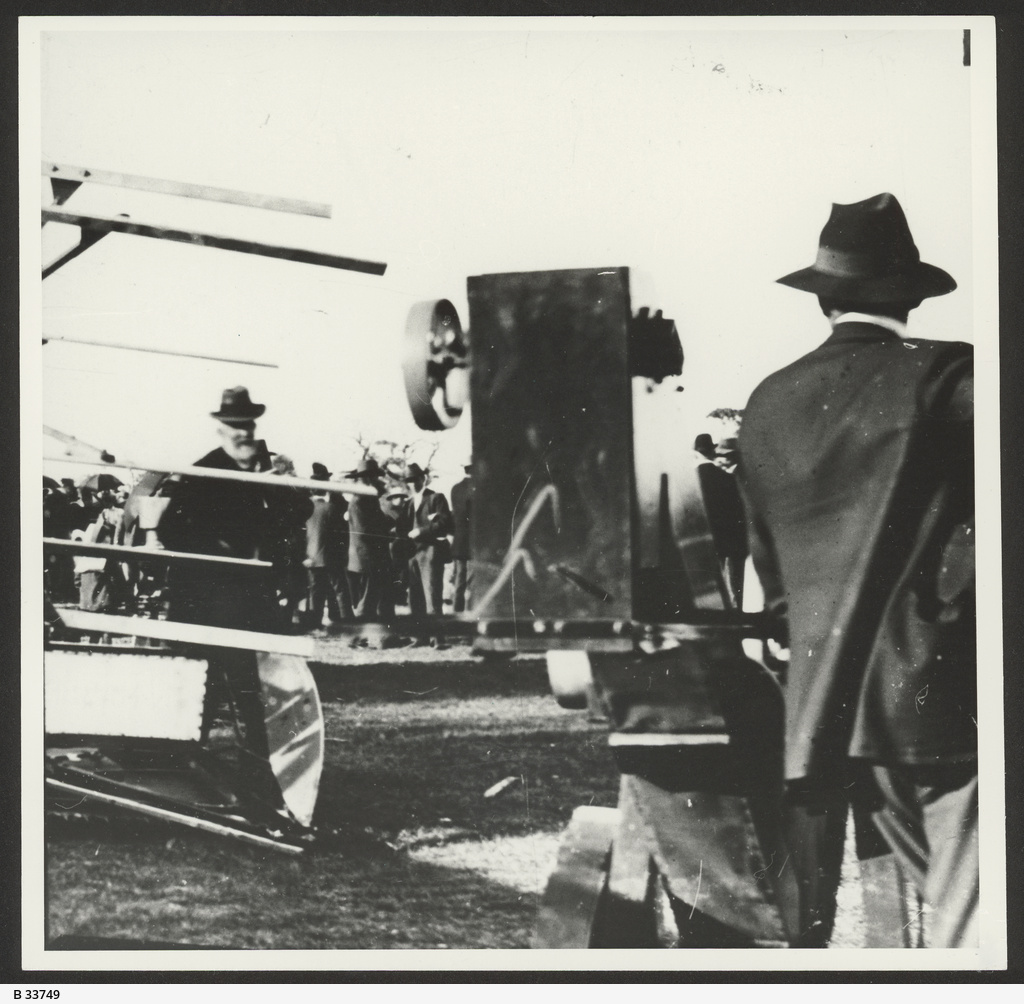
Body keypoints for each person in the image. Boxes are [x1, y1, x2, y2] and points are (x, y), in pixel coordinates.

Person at [736, 193, 976, 947]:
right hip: (940, 707)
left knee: (949, 917)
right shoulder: (944, 376)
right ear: (909, 295)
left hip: (827, 718)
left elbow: (771, 582)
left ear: (825, 299)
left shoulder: (767, 401)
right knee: (976, 926)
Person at [153, 387, 312, 772]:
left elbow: (299, 511)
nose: (244, 433)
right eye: (235, 426)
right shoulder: (202, 472)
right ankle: (181, 768)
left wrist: (283, 482)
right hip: (204, 602)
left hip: (251, 604)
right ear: (221, 429)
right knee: (197, 690)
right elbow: (170, 529)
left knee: (250, 692)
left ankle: (256, 774)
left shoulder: (268, 473)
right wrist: (219, 547)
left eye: (249, 425)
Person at [693, 435, 748, 609]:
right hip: (731, 540)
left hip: (704, 541)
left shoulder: (691, 480)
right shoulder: (726, 477)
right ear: (712, 450)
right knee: (736, 586)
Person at [304, 463, 354, 631]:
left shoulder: (304, 509)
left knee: (315, 592)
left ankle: (314, 623)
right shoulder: (334, 507)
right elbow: (342, 532)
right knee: (340, 589)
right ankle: (346, 621)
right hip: (332, 556)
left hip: (311, 558)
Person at [399, 463, 453, 618]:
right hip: (412, 555)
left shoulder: (436, 498)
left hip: (431, 554)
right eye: (408, 480)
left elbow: (444, 523)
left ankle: (438, 639)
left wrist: (421, 531)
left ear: (423, 479)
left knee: (432, 596)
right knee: (415, 598)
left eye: (415, 479)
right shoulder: (408, 503)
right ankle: (419, 637)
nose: (411, 484)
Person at [345, 457, 393, 621]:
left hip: (369, 557)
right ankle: (356, 638)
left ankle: (383, 639)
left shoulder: (367, 499)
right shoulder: (359, 501)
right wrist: (386, 529)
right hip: (368, 558)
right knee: (368, 600)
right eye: (373, 477)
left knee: (373, 599)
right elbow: (363, 531)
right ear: (367, 478)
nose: (376, 480)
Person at [449, 462, 474, 613]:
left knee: (460, 583)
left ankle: (455, 619)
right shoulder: (477, 488)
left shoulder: (455, 488)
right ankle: (470, 626)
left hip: (459, 543)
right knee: (473, 584)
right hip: (473, 543)